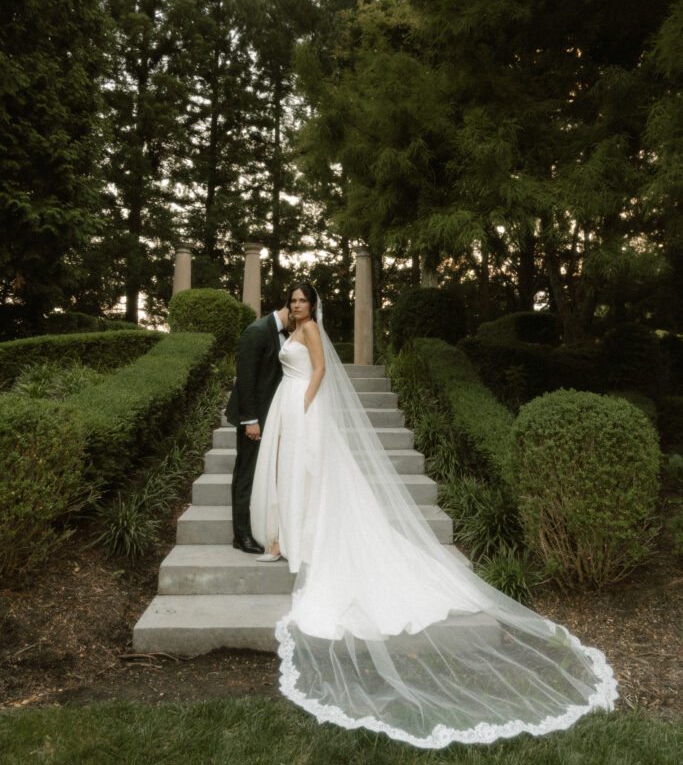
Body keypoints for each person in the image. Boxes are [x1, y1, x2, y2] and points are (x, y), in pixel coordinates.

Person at [249, 282, 618, 749]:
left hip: (303, 406)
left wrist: (303, 405)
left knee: (311, 475)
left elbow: (319, 372)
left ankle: (306, 536)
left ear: (313, 306)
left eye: (304, 301)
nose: (298, 306)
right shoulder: (288, 330)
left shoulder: (312, 334)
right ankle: (289, 535)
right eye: (294, 300)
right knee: (295, 475)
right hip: (288, 405)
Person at [224, 302, 290, 554]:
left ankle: (261, 526)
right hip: (253, 417)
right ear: (287, 308)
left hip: (271, 416)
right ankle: (241, 535)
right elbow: (246, 377)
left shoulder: (285, 333)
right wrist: (250, 420)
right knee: (246, 473)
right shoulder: (257, 331)